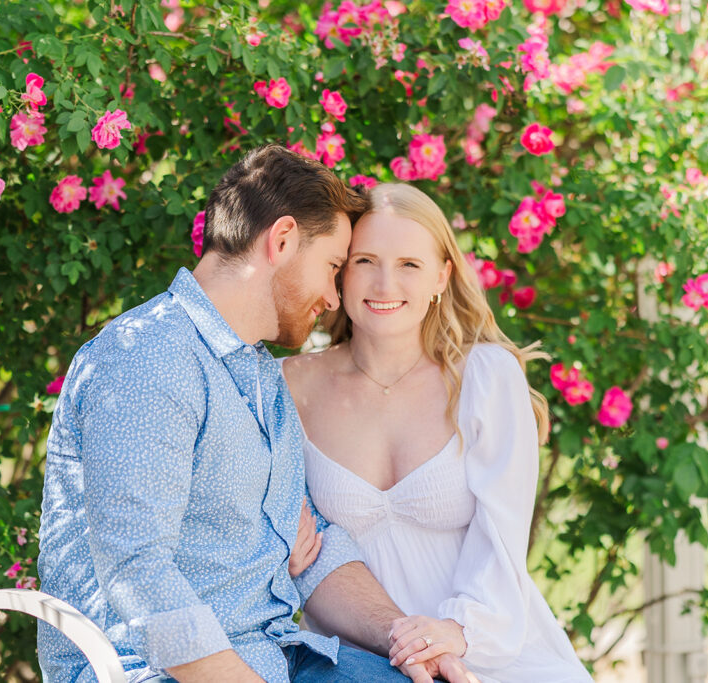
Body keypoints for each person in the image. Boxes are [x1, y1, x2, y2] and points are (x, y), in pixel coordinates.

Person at [37, 147, 476, 683]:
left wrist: (404, 638)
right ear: (283, 240)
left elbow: (314, 550)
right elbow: (138, 572)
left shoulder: (261, 375)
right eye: (334, 266)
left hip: (272, 654)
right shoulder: (149, 358)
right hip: (149, 671)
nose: (336, 299)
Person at [281, 183, 594, 683]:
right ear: (340, 271)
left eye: (409, 264)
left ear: (442, 277)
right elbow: (292, 546)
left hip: (489, 654)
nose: (384, 284)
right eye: (365, 261)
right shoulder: (288, 387)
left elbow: (501, 540)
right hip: (363, 664)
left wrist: (455, 630)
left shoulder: (485, 378)